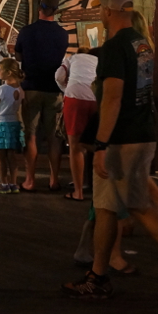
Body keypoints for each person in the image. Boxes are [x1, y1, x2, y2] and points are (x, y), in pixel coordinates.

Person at [62, 0, 158, 302]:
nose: (100, 13)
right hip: (142, 129)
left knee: (137, 203)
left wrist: (100, 144)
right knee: (106, 207)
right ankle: (98, 275)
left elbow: (112, 97)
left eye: (101, 9)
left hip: (122, 137)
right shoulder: (142, 45)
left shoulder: (113, 47)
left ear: (109, 12)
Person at [15, 0, 68, 192]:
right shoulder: (62, 34)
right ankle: (54, 180)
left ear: (39, 7)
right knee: (54, 137)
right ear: (56, 10)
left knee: (30, 135)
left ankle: (30, 179)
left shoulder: (27, 31)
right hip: (54, 90)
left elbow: (18, 53)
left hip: (31, 87)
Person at [57, 47, 98, 201]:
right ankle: (98, 188)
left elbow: (59, 76)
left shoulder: (71, 59)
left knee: (75, 147)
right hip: (95, 99)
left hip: (74, 99)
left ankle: (78, 191)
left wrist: (65, 89)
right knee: (96, 144)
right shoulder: (98, 60)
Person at [0, 58, 26, 194]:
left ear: (8, 73)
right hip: (14, 123)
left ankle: (3, 183)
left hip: (1, 124)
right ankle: (14, 183)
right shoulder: (21, 90)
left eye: (0, 70)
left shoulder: (1, 89)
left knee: (0, 156)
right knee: (12, 156)